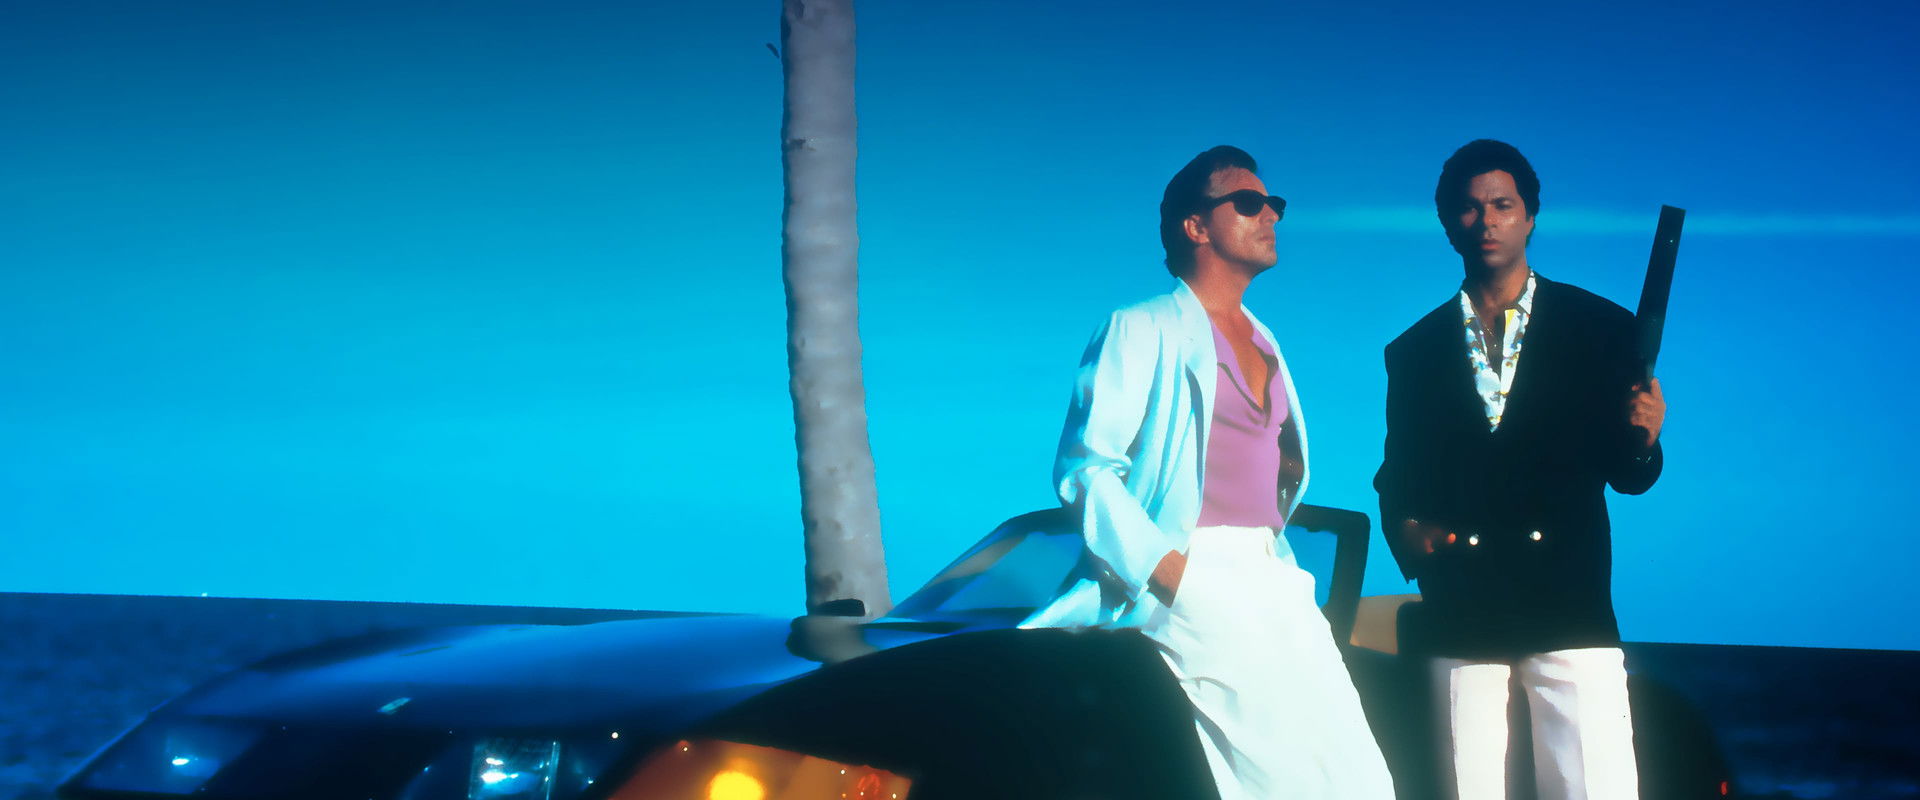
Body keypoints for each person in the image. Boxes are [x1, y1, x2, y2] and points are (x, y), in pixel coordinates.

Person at [1024, 145, 1395, 799]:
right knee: (1271, 778)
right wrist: (1169, 573)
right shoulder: (1139, 327)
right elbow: (1087, 469)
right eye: (1248, 203)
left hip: (1277, 575)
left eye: (1273, 204)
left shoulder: (1266, 340)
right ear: (1195, 226)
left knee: (1357, 776)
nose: (1270, 215)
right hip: (1194, 571)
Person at [1374, 139, 1667, 800]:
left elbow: (1630, 474)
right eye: (1470, 208)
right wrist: (1409, 534)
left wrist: (1646, 439)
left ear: (1530, 216)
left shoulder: (1601, 328)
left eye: (1503, 205)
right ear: (1448, 223)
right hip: (1462, 603)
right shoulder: (1413, 351)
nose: (1487, 221)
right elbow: (1398, 473)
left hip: (1569, 600)